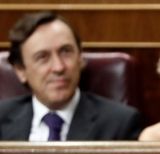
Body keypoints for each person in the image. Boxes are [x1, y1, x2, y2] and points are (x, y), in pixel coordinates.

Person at [0, 11, 142, 141]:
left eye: (66, 51)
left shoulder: (119, 123)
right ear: (21, 70)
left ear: (80, 58)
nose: (58, 67)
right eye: (42, 57)